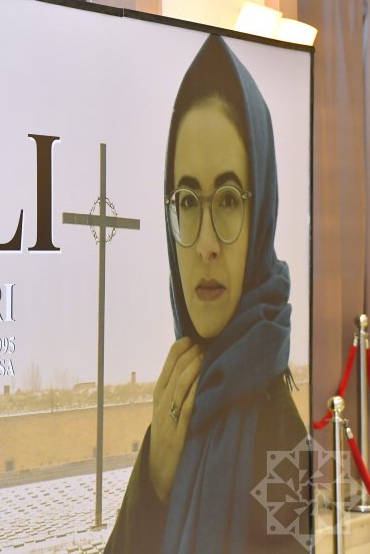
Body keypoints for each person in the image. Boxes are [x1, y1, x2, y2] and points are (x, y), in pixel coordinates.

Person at [103, 35, 306, 553]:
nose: (206, 244)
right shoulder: (180, 408)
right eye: (189, 201)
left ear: (261, 216)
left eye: (230, 200)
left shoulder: (285, 445)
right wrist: (153, 480)